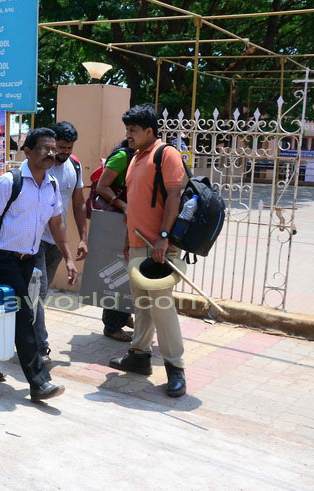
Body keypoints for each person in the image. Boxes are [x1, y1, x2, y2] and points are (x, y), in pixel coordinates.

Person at [0, 127, 77, 402]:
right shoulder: (10, 182)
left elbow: (57, 223)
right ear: (27, 152)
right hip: (3, 259)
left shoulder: (52, 185)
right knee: (23, 314)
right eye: (44, 148)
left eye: (53, 149)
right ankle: (39, 382)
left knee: (5, 314)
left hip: (28, 261)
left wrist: (68, 258)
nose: (51, 153)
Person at [109, 105, 187, 397]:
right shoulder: (136, 157)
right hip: (138, 244)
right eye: (127, 130)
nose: (128, 135)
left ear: (149, 131)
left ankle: (175, 367)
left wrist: (164, 238)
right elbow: (136, 204)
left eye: (133, 130)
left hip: (158, 247)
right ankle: (139, 356)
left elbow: (174, 197)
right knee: (142, 304)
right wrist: (128, 241)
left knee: (162, 308)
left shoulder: (165, 154)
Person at [33, 121, 88, 364]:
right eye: (61, 148)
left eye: (69, 148)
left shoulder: (74, 166)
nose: (64, 152)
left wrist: (83, 238)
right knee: (37, 293)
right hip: (34, 241)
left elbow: (78, 202)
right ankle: (40, 347)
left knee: (38, 296)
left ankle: (24, 338)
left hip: (57, 241)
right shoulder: (40, 165)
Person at [95, 139, 136, 342]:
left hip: (130, 222)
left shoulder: (140, 157)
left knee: (129, 273)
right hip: (117, 221)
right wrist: (123, 205)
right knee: (118, 273)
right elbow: (102, 187)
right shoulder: (123, 157)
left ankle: (124, 315)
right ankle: (112, 326)